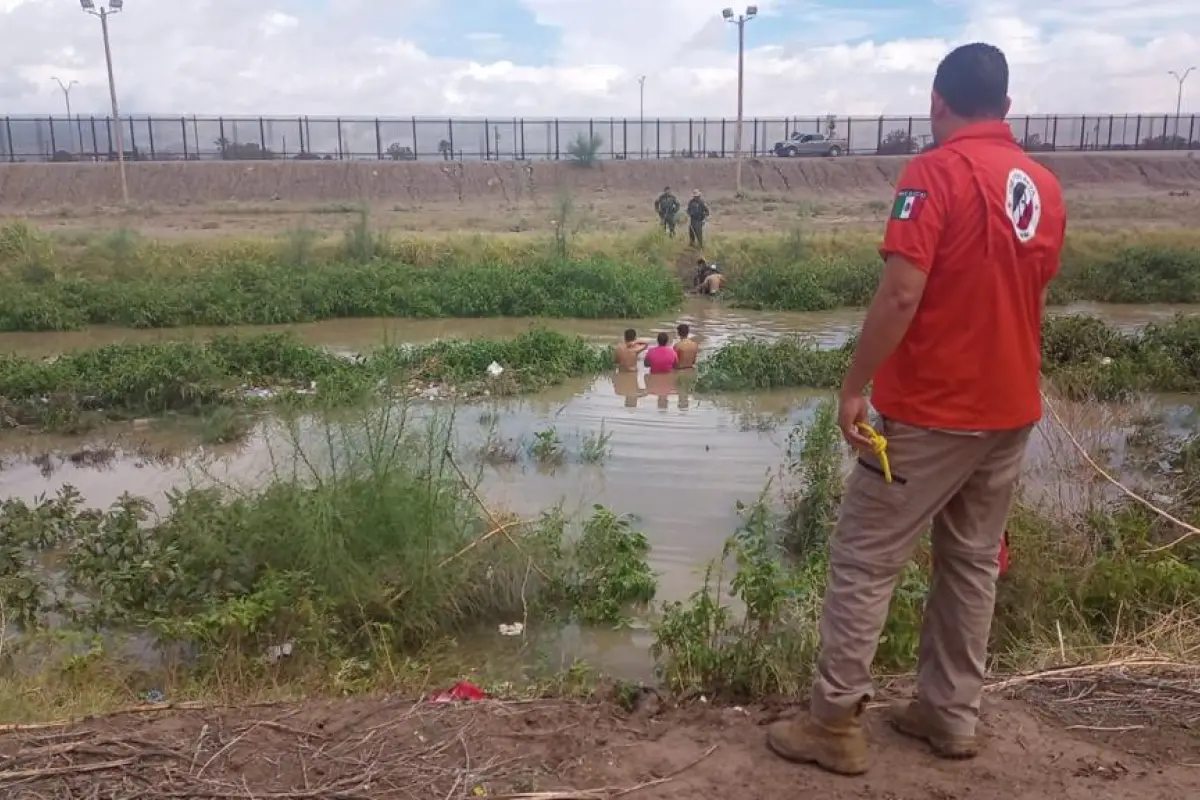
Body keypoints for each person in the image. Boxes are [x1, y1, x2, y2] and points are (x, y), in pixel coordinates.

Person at [765, 42, 1066, 776]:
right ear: (1007, 107)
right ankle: (949, 714)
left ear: (938, 101)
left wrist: (852, 385)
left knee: (865, 557)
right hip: (1010, 411)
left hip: (931, 410)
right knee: (969, 563)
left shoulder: (933, 173)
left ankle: (834, 721)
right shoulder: (1044, 186)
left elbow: (902, 292)